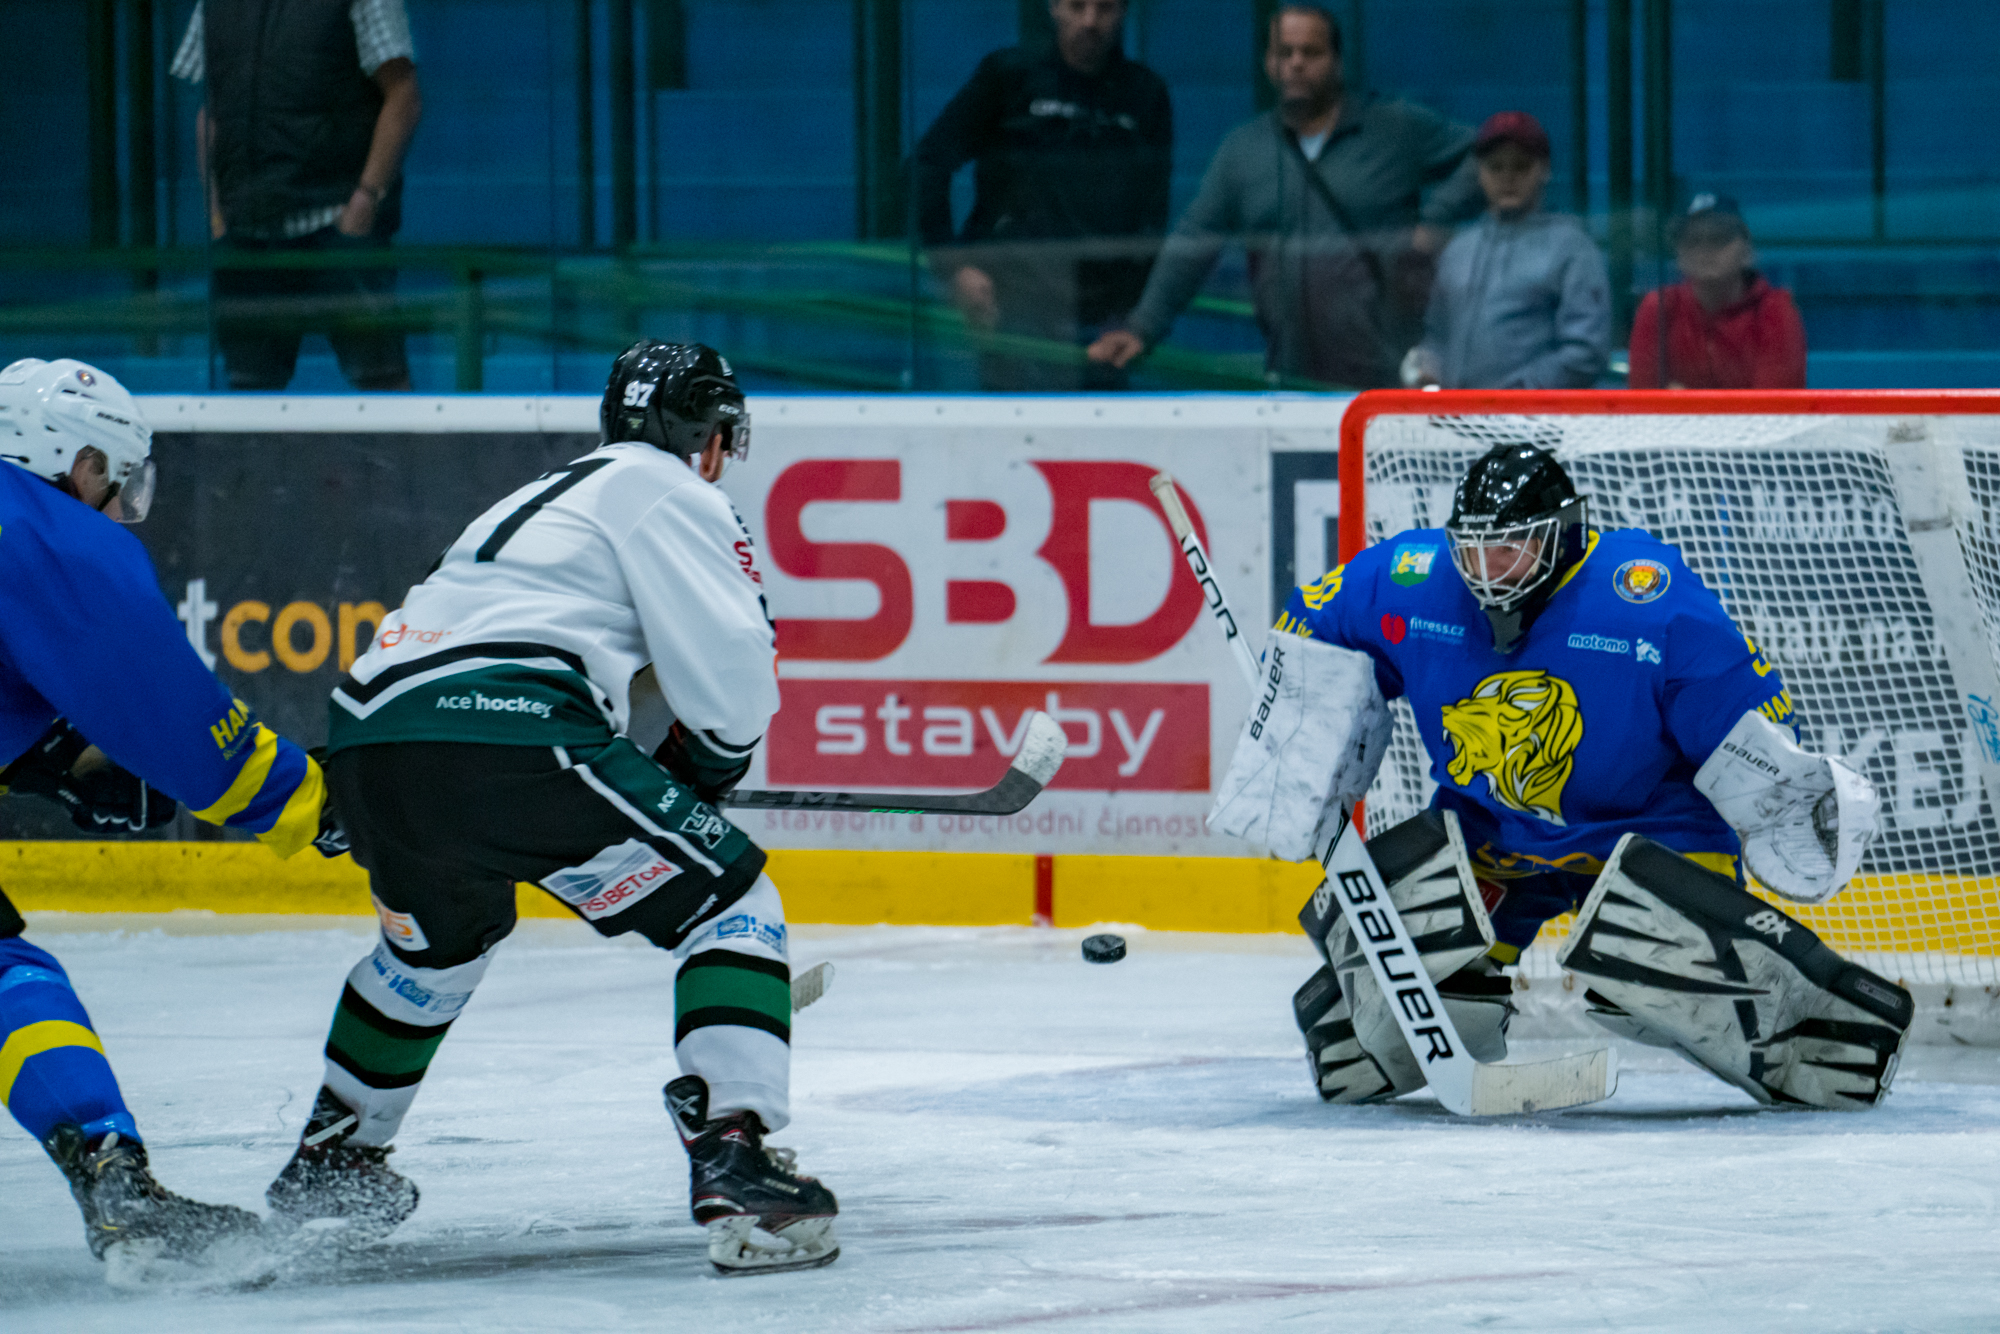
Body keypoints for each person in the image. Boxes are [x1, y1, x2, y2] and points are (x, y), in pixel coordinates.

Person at [265, 340, 838, 1276]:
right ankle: (736, 1158)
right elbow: (732, 672)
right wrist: (709, 768)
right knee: (730, 902)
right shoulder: (673, 491)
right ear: (701, 424)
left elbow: (529, 645)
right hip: (510, 734)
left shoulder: (549, 498)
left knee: (437, 943)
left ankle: (336, 1161)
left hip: (369, 739)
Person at [1217, 442, 1907, 1111]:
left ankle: (1797, 1019)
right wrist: (1297, 739)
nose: (1490, 568)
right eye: (1475, 547)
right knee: (1363, 1047)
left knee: (1690, 980)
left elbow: (1740, 733)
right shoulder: (1411, 576)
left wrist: (1791, 805)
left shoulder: (1647, 599)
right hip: (1492, 841)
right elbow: (1314, 619)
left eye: (1513, 545)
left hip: (1646, 839)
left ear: (1565, 535)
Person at [0, 358, 342, 1265]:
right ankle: (114, 1176)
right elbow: (188, 733)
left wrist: (46, 762)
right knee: (5, 977)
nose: (117, 501)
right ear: (80, 464)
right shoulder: (46, 532)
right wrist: (315, 806)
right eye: (117, 477)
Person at [1088, 3, 1482, 389]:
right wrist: (1142, 328)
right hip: (1290, 376)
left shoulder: (1393, 129)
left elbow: (1486, 153)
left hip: (1386, 373)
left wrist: (1437, 221)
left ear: (1337, 61)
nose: (1296, 63)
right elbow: (1194, 241)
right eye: (1284, 53)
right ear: (1268, 64)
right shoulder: (1244, 150)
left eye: (1310, 53)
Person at [912, 0, 1172, 391]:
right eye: (1076, 5)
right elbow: (925, 166)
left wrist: (1134, 318)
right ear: (1053, 6)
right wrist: (955, 269)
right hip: (1012, 310)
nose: (1089, 21)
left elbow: (1152, 219)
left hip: (1102, 325)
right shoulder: (1009, 76)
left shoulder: (1146, 94)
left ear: (1124, 12)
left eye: (1105, 8)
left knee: (1094, 446)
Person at [172, 0, 424, 391]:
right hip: (246, 236)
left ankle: (406, 456)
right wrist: (217, 216)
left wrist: (364, 200)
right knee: (248, 396)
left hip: (336, 225)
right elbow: (212, 109)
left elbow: (403, 96)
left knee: (382, 381)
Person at [1405, 111, 1610, 389]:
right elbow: (1437, 337)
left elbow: (1586, 351)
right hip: (1455, 422)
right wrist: (1426, 366)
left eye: (1521, 166)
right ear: (1479, 172)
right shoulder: (1458, 250)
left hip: (1540, 427)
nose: (1507, 177)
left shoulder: (1572, 249)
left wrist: (1516, 393)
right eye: (1495, 167)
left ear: (1544, 169)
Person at [1628, 194, 1807, 389]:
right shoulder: (1659, 307)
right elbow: (1643, 404)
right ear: (1678, 254)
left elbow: (1771, 410)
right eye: (1693, 240)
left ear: (1746, 249)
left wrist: (1685, 400)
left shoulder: (1776, 310)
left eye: (1719, 238)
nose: (1705, 250)